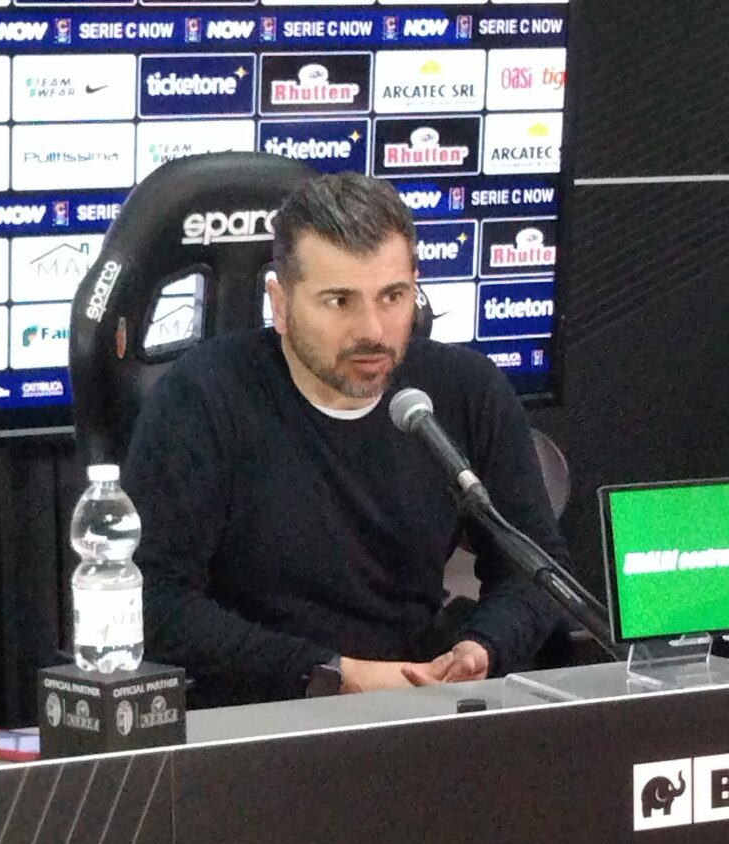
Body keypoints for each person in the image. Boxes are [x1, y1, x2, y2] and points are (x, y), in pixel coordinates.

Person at [123, 172, 568, 706]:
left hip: (417, 701)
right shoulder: (202, 397)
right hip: (255, 712)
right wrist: (334, 674)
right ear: (280, 304)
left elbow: (537, 571)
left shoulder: (465, 390)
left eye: (393, 296)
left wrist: (482, 649)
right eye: (339, 301)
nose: (373, 331)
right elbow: (153, 602)